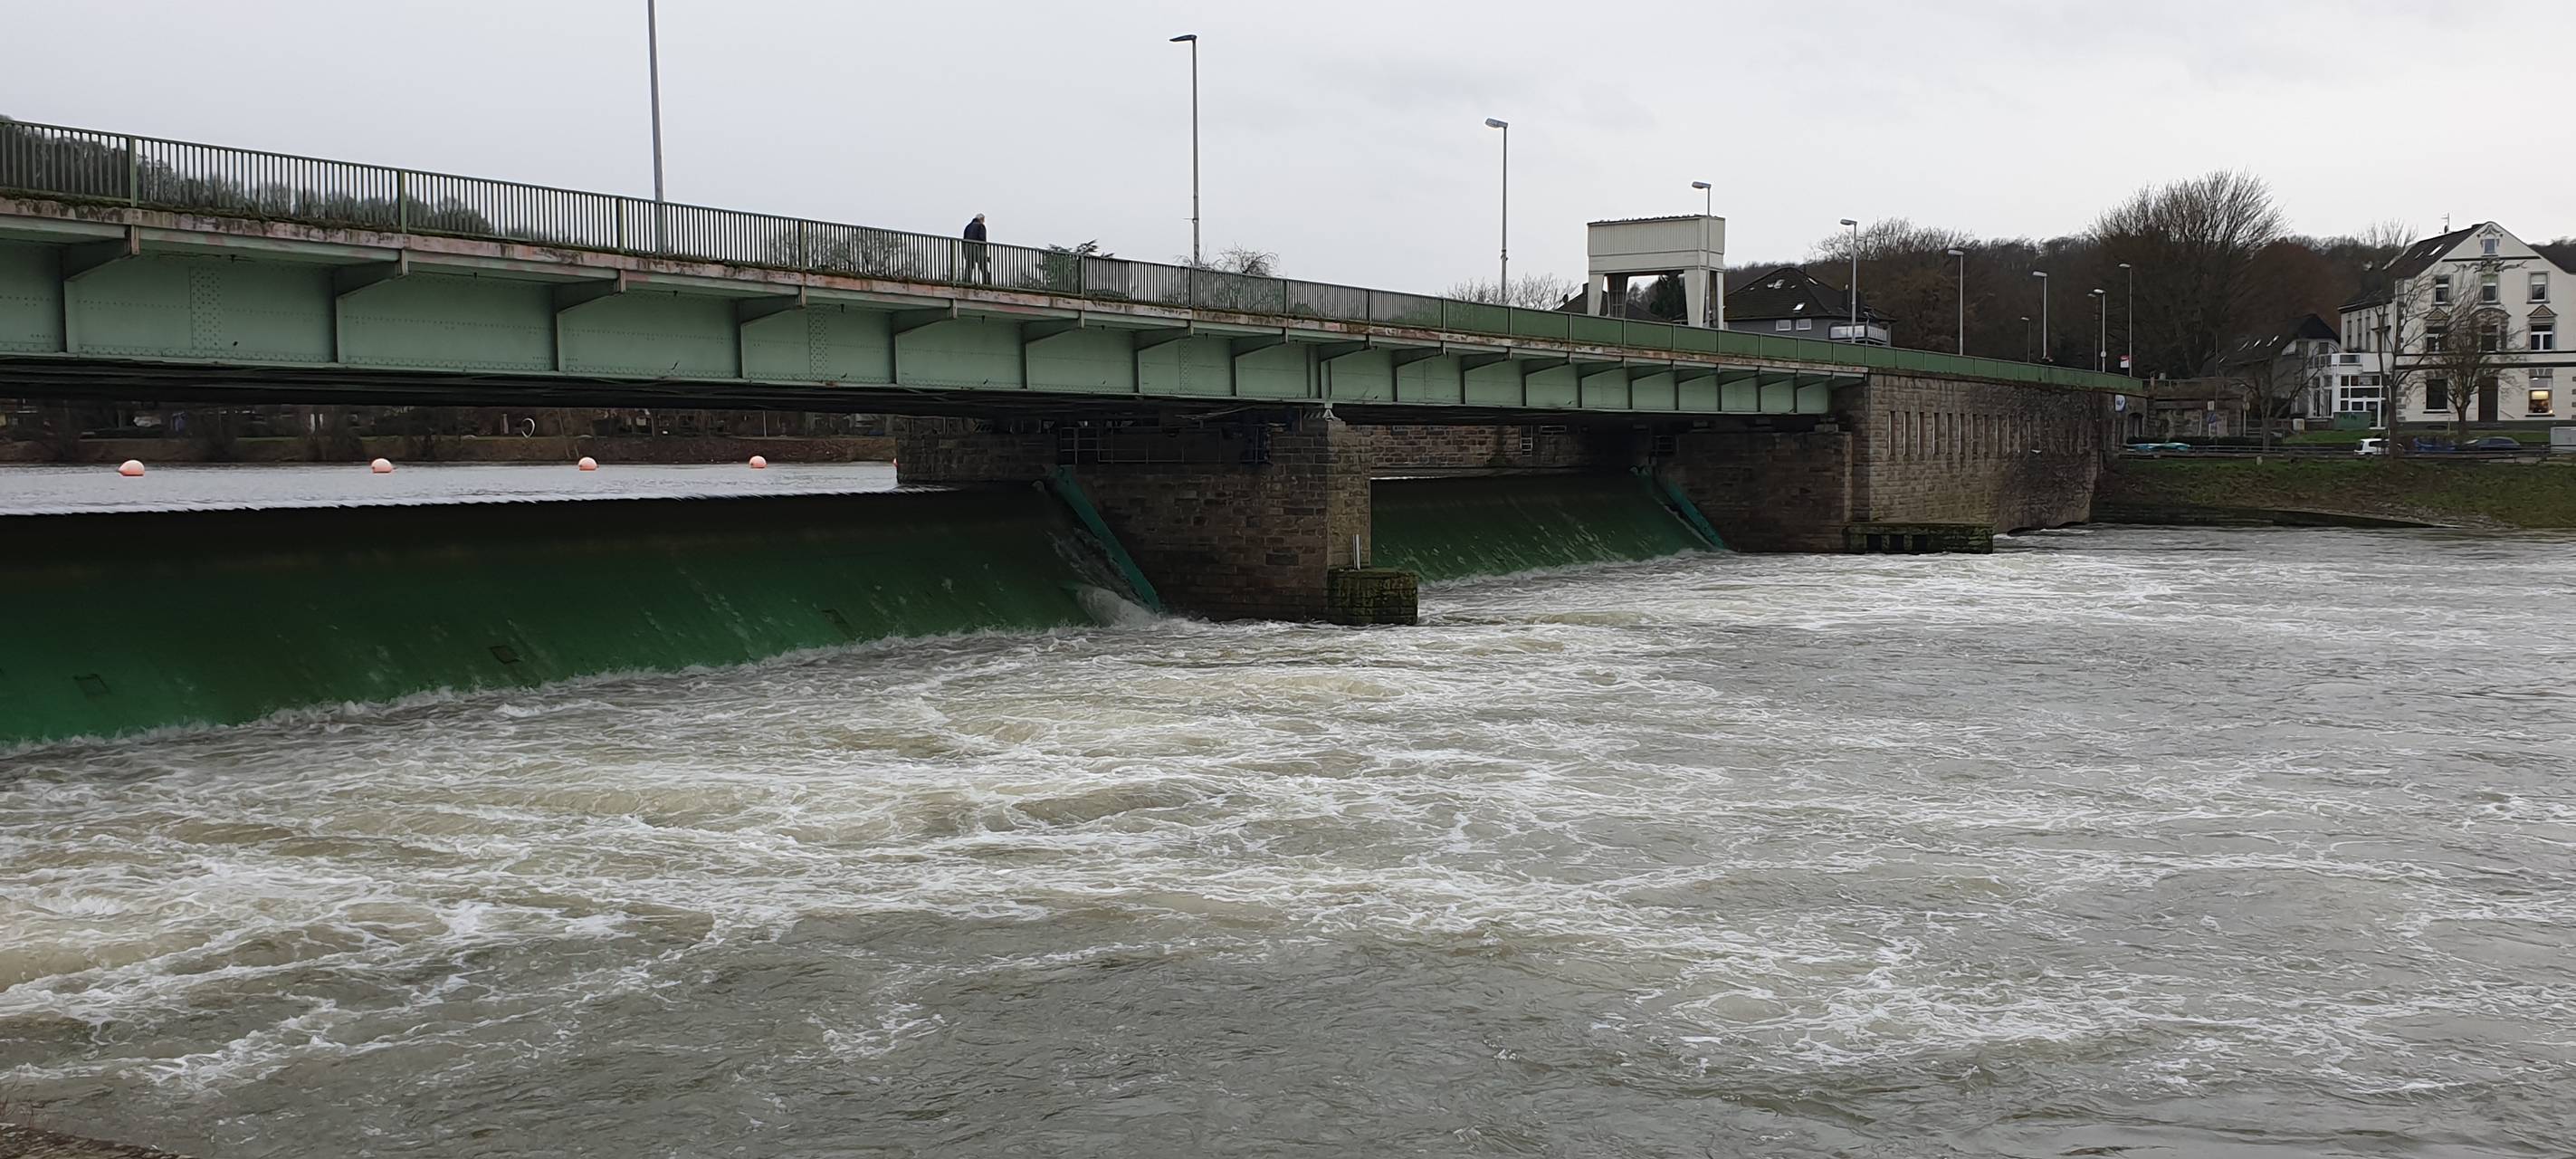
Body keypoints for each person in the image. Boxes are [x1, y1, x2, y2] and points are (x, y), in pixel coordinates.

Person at [961, 214, 989, 283]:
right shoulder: (981, 226)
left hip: (968, 249)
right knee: (983, 267)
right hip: (978, 250)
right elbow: (982, 239)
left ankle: (967, 281)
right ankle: (987, 282)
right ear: (981, 219)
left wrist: (965, 252)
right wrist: (985, 253)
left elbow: (964, 239)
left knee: (969, 266)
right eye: (983, 220)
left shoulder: (968, 227)